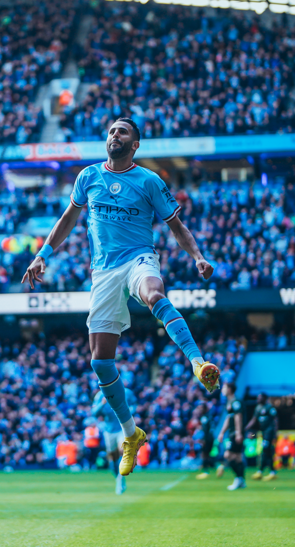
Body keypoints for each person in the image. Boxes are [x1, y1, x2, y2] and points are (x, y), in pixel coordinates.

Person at [23, 117, 219, 477]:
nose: (115, 135)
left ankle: (196, 362)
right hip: (104, 272)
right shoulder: (88, 177)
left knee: (153, 293)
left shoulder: (149, 180)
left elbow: (177, 226)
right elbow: (67, 219)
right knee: (100, 361)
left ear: (135, 144)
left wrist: (198, 257)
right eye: (111, 130)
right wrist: (42, 255)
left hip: (138, 258)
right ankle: (132, 434)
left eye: (122, 132)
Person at [92, 387, 137, 495]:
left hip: (123, 428)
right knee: (112, 460)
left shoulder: (126, 392)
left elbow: (134, 404)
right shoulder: (100, 395)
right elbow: (94, 413)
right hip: (109, 431)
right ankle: (119, 478)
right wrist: (102, 404)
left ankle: (120, 478)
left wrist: (129, 412)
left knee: (122, 451)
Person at [217, 382, 246, 490]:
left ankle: (238, 479)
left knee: (228, 455)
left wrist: (238, 433)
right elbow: (229, 418)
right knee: (238, 458)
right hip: (233, 432)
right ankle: (241, 481)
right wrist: (222, 432)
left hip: (235, 433)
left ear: (229, 389)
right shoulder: (229, 402)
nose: (222, 390)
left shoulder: (236, 402)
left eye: (224, 388)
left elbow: (238, 416)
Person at [245, 393, 279, 481]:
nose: (258, 399)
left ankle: (261, 472)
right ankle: (271, 472)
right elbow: (254, 419)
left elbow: (275, 420)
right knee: (267, 452)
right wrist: (246, 428)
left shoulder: (269, 407)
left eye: (259, 398)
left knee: (265, 451)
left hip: (269, 432)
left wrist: (275, 434)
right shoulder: (258, 408)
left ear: (264, 398)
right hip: (264, 432)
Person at [194, 404, 217, 480]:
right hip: (211, 437)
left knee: (204, 454)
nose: (200, 410)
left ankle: (206, 472)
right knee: (207, 454)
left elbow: (205, 430)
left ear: (204, 409)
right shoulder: (209, 416)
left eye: (201, 408)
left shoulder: (204, 417)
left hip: (207, 438)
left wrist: (203, 439)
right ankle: (217, 466)